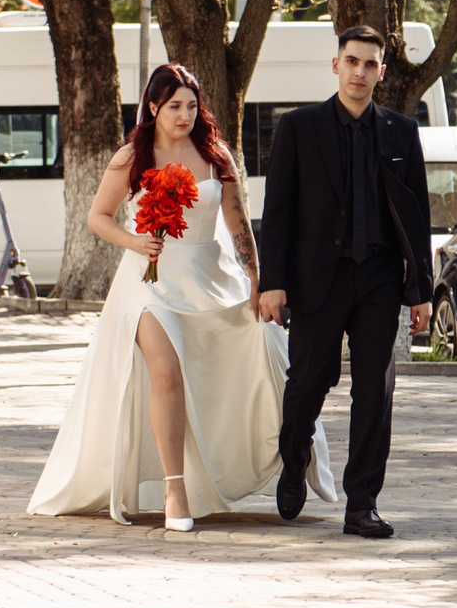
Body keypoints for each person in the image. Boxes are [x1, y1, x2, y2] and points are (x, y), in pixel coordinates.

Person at [30, 63, 334, 529]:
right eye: (175, 106)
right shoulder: (132, 156)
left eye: (192, 106)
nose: (185, 115)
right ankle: (175, 490)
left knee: (265, 355)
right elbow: (99, 216)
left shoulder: (216, 155)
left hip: (211, 274)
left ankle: (284, 457)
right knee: (166, 372)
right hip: (148, 282)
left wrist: (255, 281)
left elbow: (237, 225)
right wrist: (136, 241)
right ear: (153, 107)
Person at [255, 26, 434, 540]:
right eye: (352, 61)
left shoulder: (401, 131)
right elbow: (279, 211)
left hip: (379, 278)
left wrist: (419, 289)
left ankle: (362, 505)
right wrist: (274, 283)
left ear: (382, 71)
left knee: (375, 394)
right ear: (336, 65)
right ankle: (294, 462)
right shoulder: (299, 127)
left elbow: (416, 214)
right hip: (317, 279)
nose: (360, 72)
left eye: (370, 64)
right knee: (308, 383)